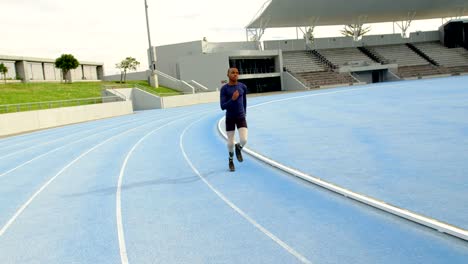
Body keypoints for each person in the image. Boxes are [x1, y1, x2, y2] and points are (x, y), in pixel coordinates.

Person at [220, 67, 248, 172]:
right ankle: (231, 160)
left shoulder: (242, 87)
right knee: (230, 143)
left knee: (244, 140)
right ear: (228, 75)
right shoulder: (224, 89)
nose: (235, 74)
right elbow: (222, 106)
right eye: (232, 73)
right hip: (230, 118)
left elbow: (244, 101)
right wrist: (232, 99)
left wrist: (244, 112)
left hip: (241, 116)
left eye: (237, 73)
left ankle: (239, 148)